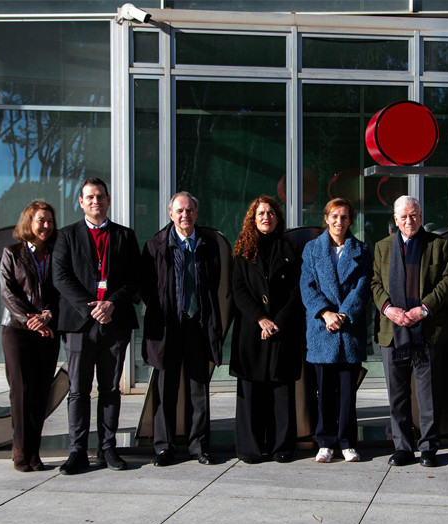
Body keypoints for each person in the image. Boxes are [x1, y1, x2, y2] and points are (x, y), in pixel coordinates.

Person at [53, 178, 140, 475]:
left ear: (109, 199)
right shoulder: (65, 236)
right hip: (79, 324)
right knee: (78, 390)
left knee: (110, 388)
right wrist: (90, 307)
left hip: (115, 323)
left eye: (100, 196)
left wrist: (111, 303)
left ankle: (108, 448)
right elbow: (61, 277)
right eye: (89, 197)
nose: (95, 201)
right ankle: (77, 451)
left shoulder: (125, 236)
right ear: (80, 202)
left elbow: (134, 278)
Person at [141, 192, 224, 467]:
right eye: (179, 211)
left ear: (196, 213)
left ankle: (198, 445)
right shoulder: (156, 245)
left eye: (189, 210)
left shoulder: (208, 244)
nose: (184, 215)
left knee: (198, 390)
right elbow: (146, 287)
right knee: (166, 390)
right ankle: (164, 447)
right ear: (170, 214)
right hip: (168, 328)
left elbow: (215, 280)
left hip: (197, 325)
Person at [371, 195, 448, 468]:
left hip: (426, 330)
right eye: (404, 216)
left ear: (421, 215)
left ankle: (429, 448)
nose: (410, 221)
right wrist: (388, 309)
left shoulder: (438, 245)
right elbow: (374, 283)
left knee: (428, 395)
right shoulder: (382, 247)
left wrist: (424, 309)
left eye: (414, 215)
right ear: (395, 220)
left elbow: (447, 280)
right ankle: (403, 448)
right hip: (392, 332)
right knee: (397, 395)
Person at [230, 195, 303, 464]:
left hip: (282, 329)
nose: (266, 217)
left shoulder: (289, 248)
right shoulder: (242, 250)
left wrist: (277, 321)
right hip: (252, 330)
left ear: (277, 217)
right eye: (261, 213)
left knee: (281, 392)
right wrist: (260, 319)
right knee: (250, 393)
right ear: (253, 217)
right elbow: (237, 289)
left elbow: (297, 290)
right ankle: (250, 449)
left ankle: (281, 447)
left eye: (271, 213)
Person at [300, 198, 372, 463]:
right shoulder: (312, 249)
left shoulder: (361, 250)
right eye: (334, 216)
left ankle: (348, 441)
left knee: (347, 392)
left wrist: (344, 314)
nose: (339, 222)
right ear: (326, 218)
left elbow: (363, 286)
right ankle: (325, 442)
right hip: (323, 328)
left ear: (350, 220)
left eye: (344, 217)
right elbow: (307, 286)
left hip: (348, 328)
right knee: (324, 392)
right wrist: (326, 313)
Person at [0, 201, 61, 472]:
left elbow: (62, 290)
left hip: (48, 331)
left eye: (49, 220)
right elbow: (8, 292)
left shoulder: (57, 253)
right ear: (29, 222)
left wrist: (48, 314)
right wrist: (30, 320)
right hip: (17, 331)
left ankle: (34, 453)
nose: (46, 225)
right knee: (21, 393)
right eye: (40, 220)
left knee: (39, 393)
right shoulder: (12, 253)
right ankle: (20, 452)